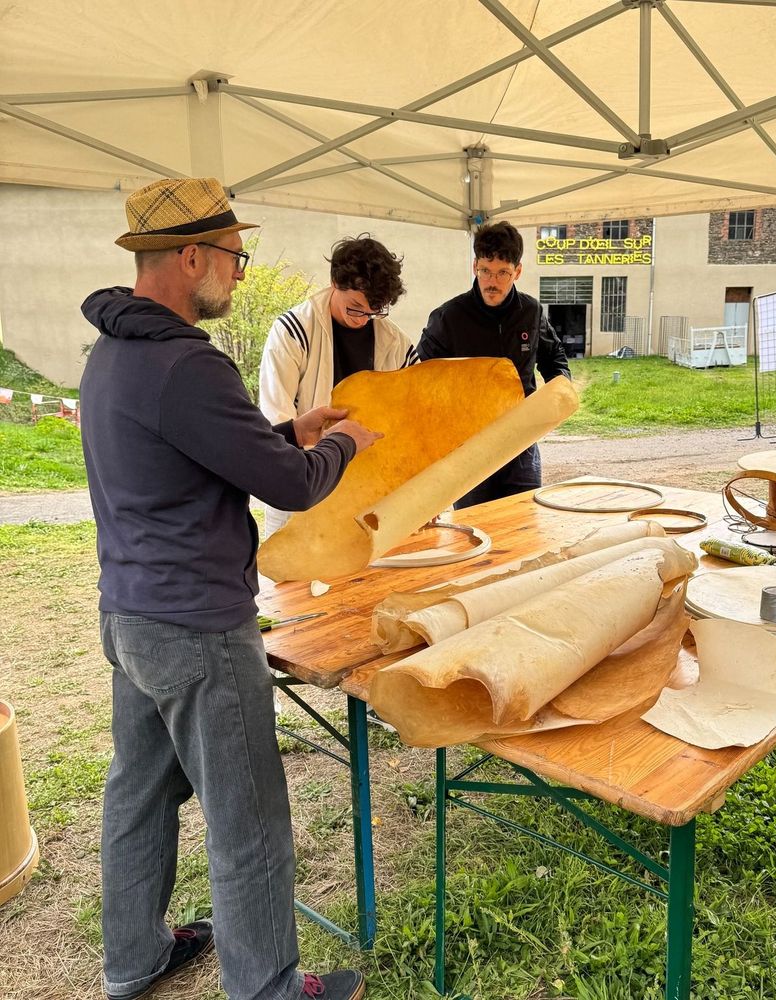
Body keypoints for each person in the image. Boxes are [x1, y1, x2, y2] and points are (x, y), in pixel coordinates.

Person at [79, 177, 375, 1000]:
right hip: (200, 630)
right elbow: (288, 487)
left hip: (131, 617)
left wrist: (290, 430)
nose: (241, 275)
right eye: (235, 257)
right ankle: (269, 989)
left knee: (138, 796)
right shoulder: (186, 362)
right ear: (189, 255)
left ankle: (134, 958)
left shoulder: (111, 353)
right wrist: (342, 441)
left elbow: (200, 452)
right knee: (248, 821)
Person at [259, 234, 417, 537]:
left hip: (369, 487)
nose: (363, 319)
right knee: (296, 578)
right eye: (355, 307)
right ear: (335, 282)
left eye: (374, 311)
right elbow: (274, 418)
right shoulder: (293, 332)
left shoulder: (396, 343)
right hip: (306, 480)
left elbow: (413, 414)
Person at [415, 220, 570, 508]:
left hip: (520, 446)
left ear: (518, 271)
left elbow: (554, 358)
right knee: (474, 528)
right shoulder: (448, 317)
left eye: (502, 273)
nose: (492, 282)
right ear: (475, 266)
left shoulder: (531, 312)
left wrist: (561, 390)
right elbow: (421, 376)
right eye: (486, 271)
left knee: (521, 524)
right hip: (469, 448)